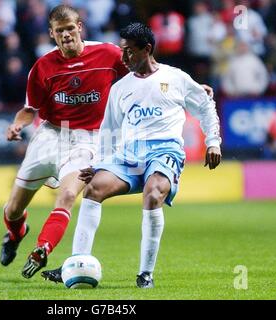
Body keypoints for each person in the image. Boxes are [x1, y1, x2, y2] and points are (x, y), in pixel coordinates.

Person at [41, 22, 222, 288]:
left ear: (147, 49)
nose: (123, 58)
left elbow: (205, 106)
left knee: (153, 193)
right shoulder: (120, 89)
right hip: (129, 155)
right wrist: (98, 164)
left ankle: (145, 273)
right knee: (93, 189)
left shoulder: (175, 78)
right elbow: (109, 131)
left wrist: (213, 142)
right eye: (122, 51)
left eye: (129, 52)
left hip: (164, 150)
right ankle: (77, 261)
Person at [0, 4, 129, 279]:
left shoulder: (108, 54)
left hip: (89, 139)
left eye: (70, 28)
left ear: (79, 27)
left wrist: (182, 87)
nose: (67, 35)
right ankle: (16, 232)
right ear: (52, 34)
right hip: (50, 135)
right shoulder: (43, 66)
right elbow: (29, 109)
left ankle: (42, 249)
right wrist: (17, 124)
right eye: (60, 31)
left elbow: (144, 71)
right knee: (13, 210)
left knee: (68, 194)